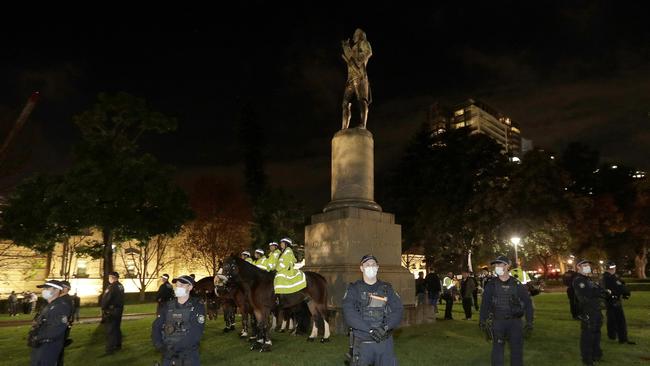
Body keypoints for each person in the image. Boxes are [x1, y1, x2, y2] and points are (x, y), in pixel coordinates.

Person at [342, 254, 403, 366]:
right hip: (363, 343)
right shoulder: (354, 289)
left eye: (373, 264)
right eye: (367, 264)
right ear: (361, 268)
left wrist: (385, 327)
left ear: (377, 267)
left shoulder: (387, 288)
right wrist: (369, 329)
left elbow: (398, 310)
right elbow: (349, 313)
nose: (371, 267)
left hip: (384, 342)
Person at [479, 255, 534, 366]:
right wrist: (482, 320)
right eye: (496, 265)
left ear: (507, 266)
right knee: (497, 350)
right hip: (498, 322)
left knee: (516, 351)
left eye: (500, 264)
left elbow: (528, 303)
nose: (497, 267)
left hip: (515, 322)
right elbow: (485, 304)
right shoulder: (491, 284)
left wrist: (529, 321)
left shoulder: (517, 284)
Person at [152, 275, 206, 366]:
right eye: (176, 285)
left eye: (181, 285)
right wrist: (160, 346)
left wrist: (174, 349)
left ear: (190, 287)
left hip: (188, 355)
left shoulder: (197, 306)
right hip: (168, 355)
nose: (178, 287)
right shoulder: (167, 305)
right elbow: (156, 326)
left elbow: (196, 333)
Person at [573, 259, 610, 366]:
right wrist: (601, 291)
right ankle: (587, 358)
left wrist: (602, 292)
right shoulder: (579, 280)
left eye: (588, 265)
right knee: (587, 335)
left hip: (596, 310)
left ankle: (596, 354)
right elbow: (590, 293)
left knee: (596, 333)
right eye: (584, 265)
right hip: (587, 311)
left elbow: (599, 291)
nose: (587, 266)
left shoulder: (589, 280)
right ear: (578, 267)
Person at [28, 280, 71, 366]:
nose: (44, 290)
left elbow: (56, 329)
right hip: (41, 344)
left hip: (49, 345)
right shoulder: (50, 305)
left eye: (47, 288)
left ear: (56, 290)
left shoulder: (60, 306)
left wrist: (37, 337)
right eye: (44, 288)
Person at [341, 28, 373, 129]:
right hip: (350, 79)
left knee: (361, 100)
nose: (354, 36)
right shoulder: (353, 48)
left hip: (359, 76)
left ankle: (363, 125)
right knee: (345, 103)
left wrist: (358, 61)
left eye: (356, 34)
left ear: (360, 35)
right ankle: (344, 127)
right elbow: (349, 59)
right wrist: (346, 47)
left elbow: (369, 52)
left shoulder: (363, 42)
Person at [601, 260, 635, 345]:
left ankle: (614, 336)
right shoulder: (609, 277)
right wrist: (625, 292)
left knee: (612, 319)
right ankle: (621, 338)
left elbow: (621, 284)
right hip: (613, 301)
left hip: (611, 301)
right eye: (614, 267)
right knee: (619, 320)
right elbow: (619, 287)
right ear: (612, 268)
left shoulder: (607, 277)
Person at [101, 271, 124, 354]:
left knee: (110, 329)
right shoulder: (121, 286)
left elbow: (107, 299)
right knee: (117, 328)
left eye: (109, 277)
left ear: (113, 277)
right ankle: (118, 345)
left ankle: (110, 349)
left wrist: (103, 307)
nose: (109, 279)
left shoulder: (112, 287)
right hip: (119, 310)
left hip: (112, 310)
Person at [57, 280, 75, 366]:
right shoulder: (59, 298)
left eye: (62, 287)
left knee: (58, 350)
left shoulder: (67, 300)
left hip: (61, 328)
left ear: (66, 289)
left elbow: (68, 316)